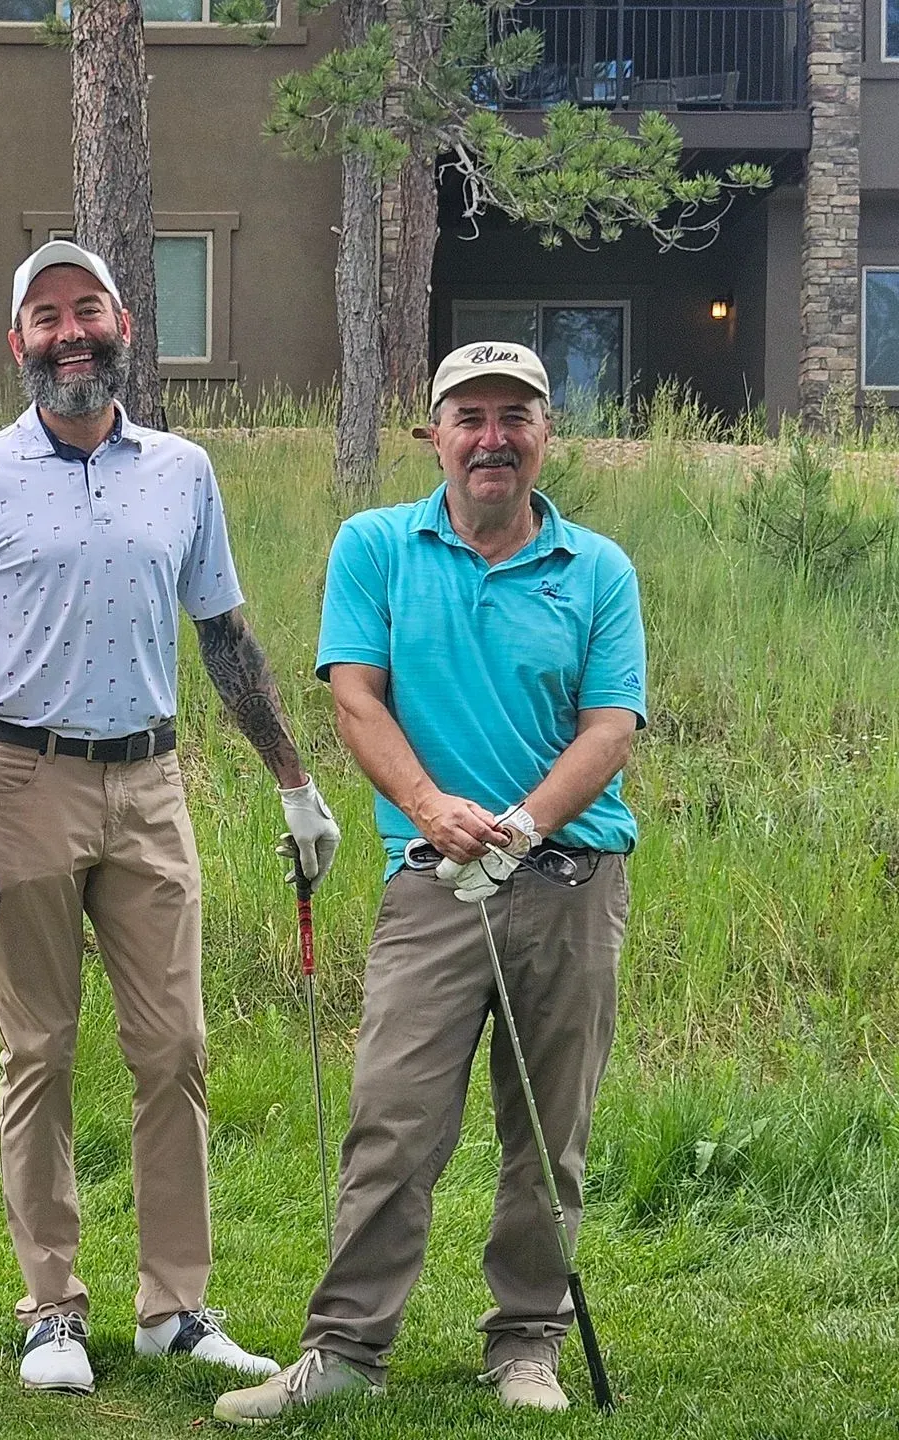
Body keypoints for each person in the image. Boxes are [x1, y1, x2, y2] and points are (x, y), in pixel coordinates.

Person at [0, 241, 342, 1395]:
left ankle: (176, 1307)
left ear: (123, 326)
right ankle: (52, 1309)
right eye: (47, 316)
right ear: (18, 343)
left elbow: (223, 636)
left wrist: (293, 781)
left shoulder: (183, 468)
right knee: (39, 1052)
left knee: (175, 1050)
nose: (72, 333)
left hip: (150, 783)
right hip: (18, 780)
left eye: (90, 310)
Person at [214, 341, 646, 1423]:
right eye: (471, 417)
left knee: (550, 1129)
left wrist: (524, 822)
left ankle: (526, 1344)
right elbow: (356, 697)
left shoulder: (598, 570)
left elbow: (612, 725)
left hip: (570, 878)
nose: (492, 437)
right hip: (430, 878)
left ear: (546, 435)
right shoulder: (376, 547)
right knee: (393, 1120)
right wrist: (431, 809)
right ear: (435, 434)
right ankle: (348, 1347)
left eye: (516, 416)